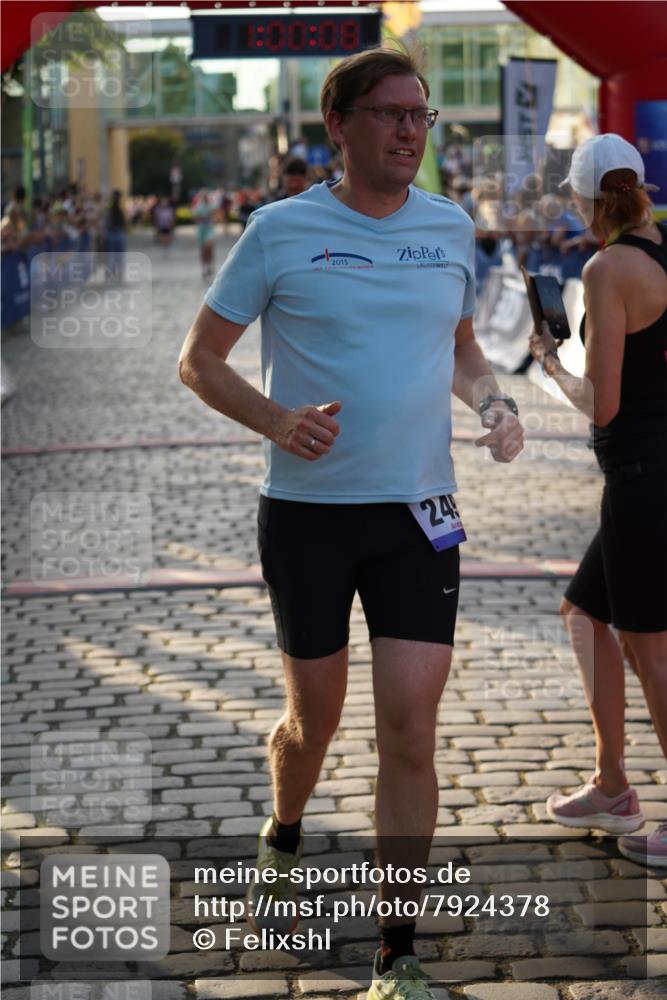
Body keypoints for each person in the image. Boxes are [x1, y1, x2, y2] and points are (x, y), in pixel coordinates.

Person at [179, 46, 524, 999]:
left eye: (420, 114)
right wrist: (276, 420)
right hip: (309, 516)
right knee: (313, 723)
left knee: (410, 733)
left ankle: (396, 952)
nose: (410, 130)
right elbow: (199, 362)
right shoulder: (280, 231)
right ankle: (283, 839)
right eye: (388, 113)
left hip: (422, 513)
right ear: (339, 125)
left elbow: (459, 348)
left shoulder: (450, 228)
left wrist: (491, 404)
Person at [529, 133, 667, 868]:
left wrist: (550, 362)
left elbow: (602, 404)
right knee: (585, 610)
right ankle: (612, 782)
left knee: (649, 649)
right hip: (652, 470)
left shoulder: (607, 267)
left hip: (641, 475)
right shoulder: (659, 247)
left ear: (585, 201)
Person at [192, 190, 217, 280]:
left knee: (209, 247)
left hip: (209, 229)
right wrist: (205, 217)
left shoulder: (212, 205)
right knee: (203, 250)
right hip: (201, 230)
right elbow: (196, 219)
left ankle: (210, 266)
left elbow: (216, 215)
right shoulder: (199, 207)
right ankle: (204, 268)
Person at [104, 190, 127, 282]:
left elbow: (106, 216)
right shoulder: (119, 207)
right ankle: (120, 274)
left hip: (112, 233)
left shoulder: (110, 206)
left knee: (111, 256)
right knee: (120, 256)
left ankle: (110, 274)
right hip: (119, 233)